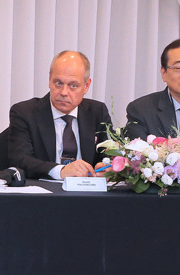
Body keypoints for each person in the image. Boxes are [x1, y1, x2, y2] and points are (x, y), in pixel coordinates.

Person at [7, 51, 113, 179]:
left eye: (73, 85)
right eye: (58, 83)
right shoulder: (24, 112)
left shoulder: (97, 112)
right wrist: (61, 171)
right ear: (49, 80)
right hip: (44, 189)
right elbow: (20, 160)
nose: (64, 92)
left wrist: (106, 166)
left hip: (86, 189)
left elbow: (110, 153)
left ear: (86, 86)